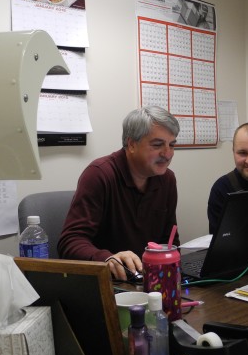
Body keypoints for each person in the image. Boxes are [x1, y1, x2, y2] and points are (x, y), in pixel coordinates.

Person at [58, 106, 180, 280]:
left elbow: (169, 239)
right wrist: (107, 259)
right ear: (131, 144)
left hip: (149, 280)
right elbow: (70, 242)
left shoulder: (167, 179)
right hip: (107, 282)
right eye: (157, 145)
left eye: (172, 145)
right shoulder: (99, 174)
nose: (167, 154)